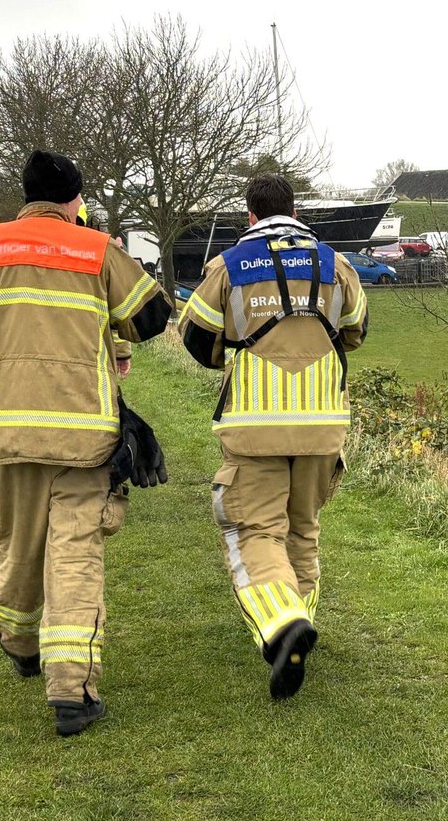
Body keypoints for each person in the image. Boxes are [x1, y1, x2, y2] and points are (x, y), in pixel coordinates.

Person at [0, 150, 172, 736]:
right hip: (87, 439)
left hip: (12, 432)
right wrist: (113, 275)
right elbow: (152, 318)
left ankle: (19, 641)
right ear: (74, 199)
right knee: (75, 556)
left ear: (26, 196)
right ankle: (72, 690)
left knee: (18, 548)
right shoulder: (96, 250)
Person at [178, 174, 367, 700]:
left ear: (250, 215)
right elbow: (356, 331)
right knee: (302, 529)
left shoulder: (228, 266)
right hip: (323, 422)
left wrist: (236, 352)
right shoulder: (335, 264)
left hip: (254, 424)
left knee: (255, 530)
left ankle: (283, 624)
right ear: (296, 211)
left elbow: (196, 338)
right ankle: (297, 630)